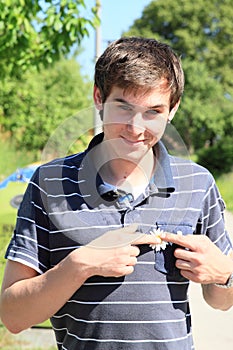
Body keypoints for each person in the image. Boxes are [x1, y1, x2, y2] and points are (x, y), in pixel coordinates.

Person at [0, 37, 233, 350]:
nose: (136, 128)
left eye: (153, 111)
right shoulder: (49, 183)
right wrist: (80, 265)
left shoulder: (198, 183)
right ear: (99, 98)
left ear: (172, 110)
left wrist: (223, 274)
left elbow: (221, 302)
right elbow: (13, 317)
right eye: (124, 107)